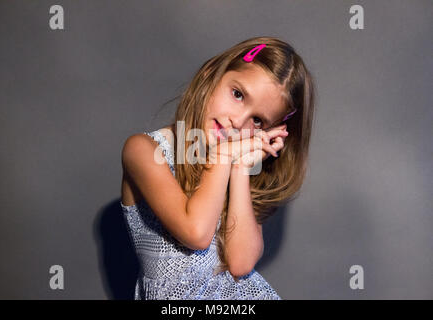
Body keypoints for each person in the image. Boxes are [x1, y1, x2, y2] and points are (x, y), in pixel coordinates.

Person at [120, 36, 316, 299]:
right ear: (213, 74)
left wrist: (240, 169)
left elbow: (240, 264)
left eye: (257, 121)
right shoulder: (145, 150)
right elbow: (196, 232)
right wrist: (224, 156)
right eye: (237, 95)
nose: (238, 120)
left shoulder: (235, 162)